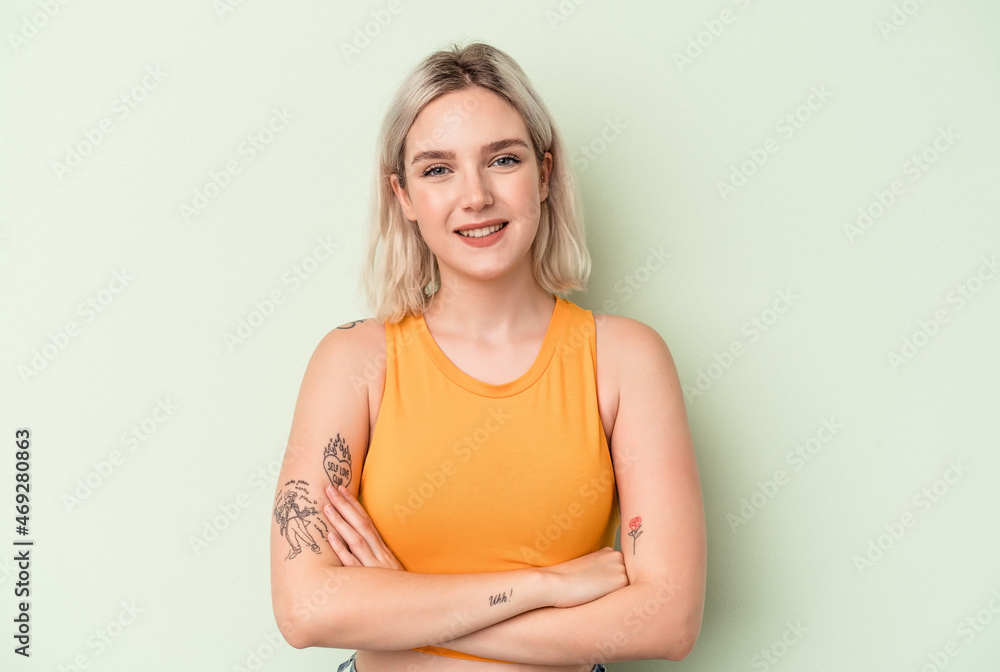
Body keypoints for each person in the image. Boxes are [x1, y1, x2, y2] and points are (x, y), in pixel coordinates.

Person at [269, 41, 706, 672]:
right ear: (403, 197)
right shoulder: (353, 361)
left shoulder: (625, 359)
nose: (475, 196)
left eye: (503, 159)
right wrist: (541, 587)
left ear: (545, 174)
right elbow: (305, 611)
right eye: (437, 169)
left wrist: (401, 607)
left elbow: (666, 621)